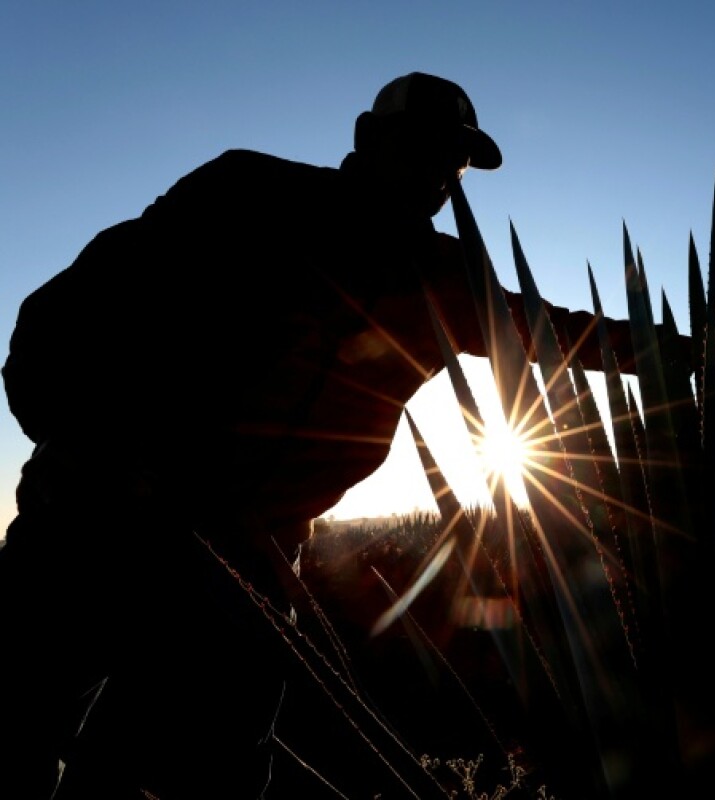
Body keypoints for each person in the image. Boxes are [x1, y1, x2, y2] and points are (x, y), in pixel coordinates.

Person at [0, 72, 654, 799]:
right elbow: (62, 312)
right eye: (424, 148)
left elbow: (549, 330)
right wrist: (86, 449)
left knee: (216, 773)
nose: (441, 175)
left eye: (456, 162)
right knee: (15, 731)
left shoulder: (439, 277)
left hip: (252, 555)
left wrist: (692, 354)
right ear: (367, 138)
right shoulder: (248, 194)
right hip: (94, 522)